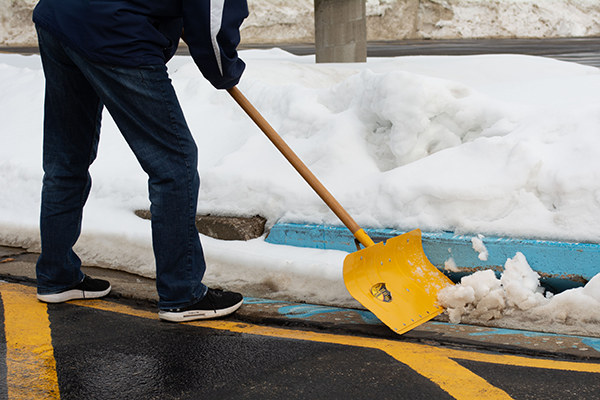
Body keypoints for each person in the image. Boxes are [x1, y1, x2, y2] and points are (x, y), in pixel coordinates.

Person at [32, 0, 247, 322]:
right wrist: (224, 72)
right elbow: (212, 22)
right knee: (174, 165)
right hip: (114, 31)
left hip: (58, 15)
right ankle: (182, 293)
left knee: (66, 158)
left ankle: (56, 276)